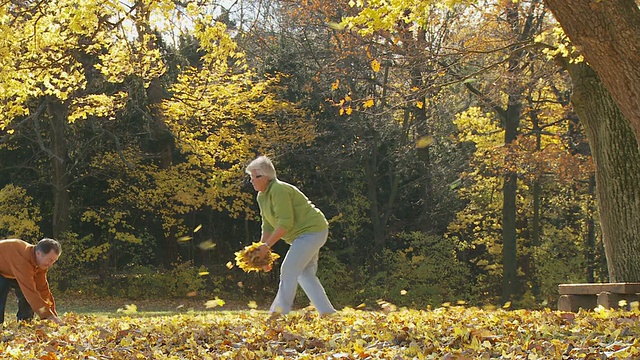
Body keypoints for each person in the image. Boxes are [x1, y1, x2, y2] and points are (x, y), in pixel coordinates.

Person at [246, 155, 336, 318]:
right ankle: (328, 313)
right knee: (305, 274)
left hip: (312, 230)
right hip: (302, 236)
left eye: (254, 177)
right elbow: (267, 226)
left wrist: (266, 247)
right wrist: (261, 255)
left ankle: (278, 313)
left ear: (265, 177)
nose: (251, 180)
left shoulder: (278, 189)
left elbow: (285, 223)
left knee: (289, 268)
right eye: (250, 177)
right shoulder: (262, 196)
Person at [0, 238, 63, 325]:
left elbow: (43, 290)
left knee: (30, 293)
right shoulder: (22, 260)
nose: (51, 264)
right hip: (4, 271)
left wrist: (53, 314)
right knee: (3, 286)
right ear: (38, 253)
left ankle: (25, 322)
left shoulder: (39, 264)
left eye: (54, 261)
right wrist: (47, 315)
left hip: (9, 271)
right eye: (50, 260)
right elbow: (30, 292)